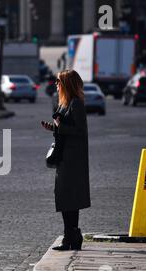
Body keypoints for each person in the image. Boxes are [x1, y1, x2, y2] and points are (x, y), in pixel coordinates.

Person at [41, 70, 91, 251]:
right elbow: (64, 128)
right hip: (65, 158)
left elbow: (80, 131)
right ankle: (71, 236)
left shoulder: (76, 104)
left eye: (58, 81)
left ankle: (71, 236)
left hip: (73, 160)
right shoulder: (64, 104)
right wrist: (53, 128)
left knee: (69, 199)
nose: (55, 84)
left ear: (66, 84)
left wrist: (61, 126)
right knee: (64, 198)